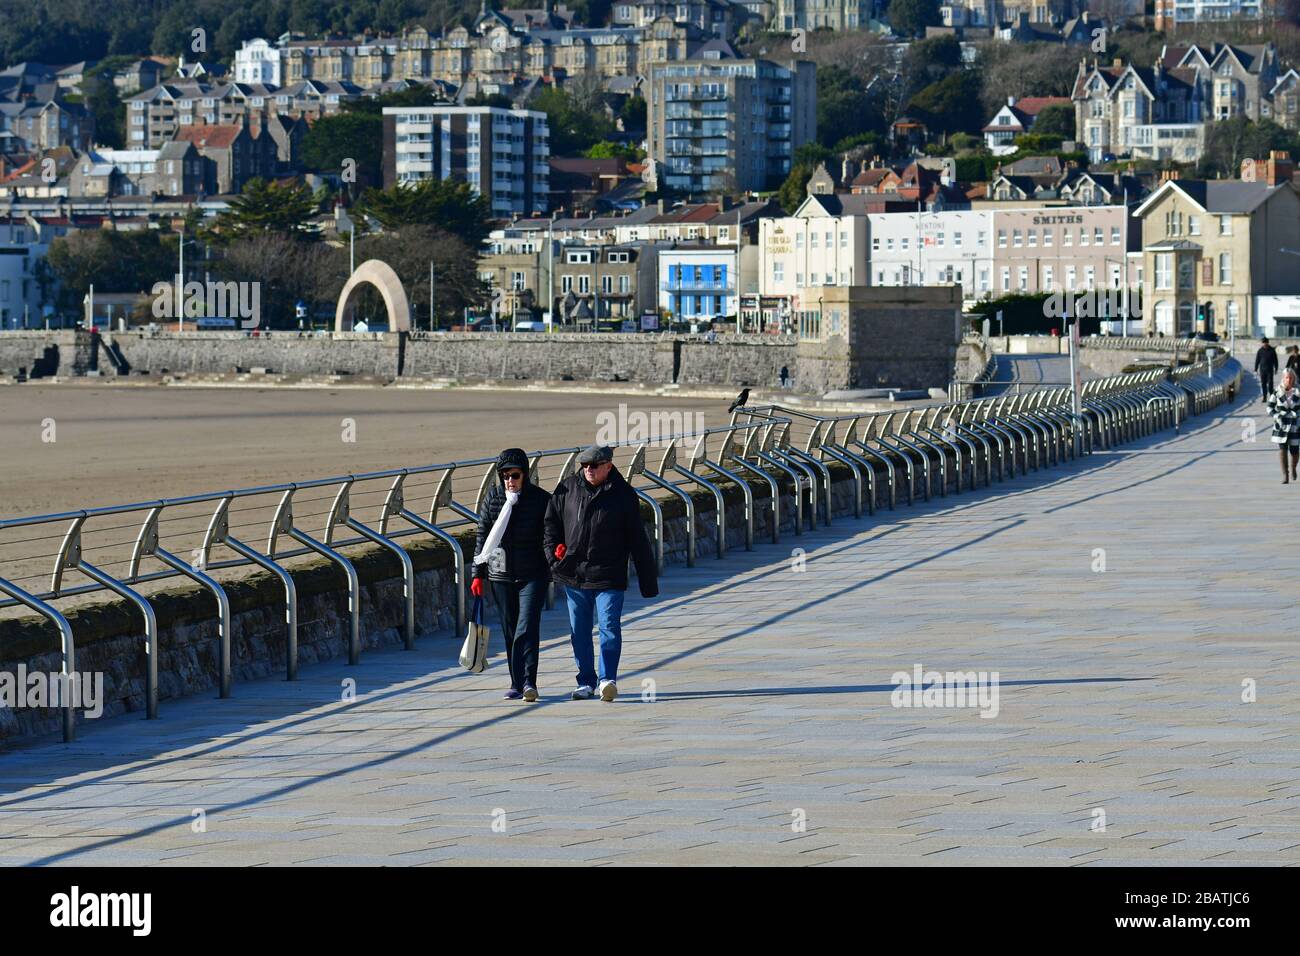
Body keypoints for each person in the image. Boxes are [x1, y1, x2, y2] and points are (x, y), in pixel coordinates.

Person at [544, 444, 658, 702]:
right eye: (584, 466)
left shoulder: (624, 495)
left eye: (594, 466)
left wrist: (648, 582)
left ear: (608, 465)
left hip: (610, 575)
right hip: (575, 574)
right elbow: (550, 523)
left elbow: (638, 540)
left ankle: (608, 679)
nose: (589, 470)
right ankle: (586, 681)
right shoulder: (567, 488)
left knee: (609, 627)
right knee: (579, 631)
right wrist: (553, 556)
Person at [471, 448, 551, 701]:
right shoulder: (493, 498)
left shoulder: (540, 499)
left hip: (532, 574)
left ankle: (530, 682)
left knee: (526, 628)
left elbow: (550, 536)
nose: (510, 481)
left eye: (515, 475)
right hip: (500, 575)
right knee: (509, 629)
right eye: (505, 475)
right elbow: (483, 537)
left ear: (525, 475)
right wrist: (477, 574)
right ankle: (517, 682)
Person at [1267, 369, 1300, 484]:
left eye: (1291, 377)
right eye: (1287, 377)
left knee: (1295, 452)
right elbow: (1269, 407)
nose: (1289, 380)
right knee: (1282, 449)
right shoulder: (1277, 391)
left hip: (1295, 425)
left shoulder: (1298, 391)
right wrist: (1276, 416)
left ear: (1294, 379)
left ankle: (1293, 468)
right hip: (1281, 425)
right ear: (1283, 378)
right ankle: (1285, 475)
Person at [1255, 336, 1278, 400]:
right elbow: (1257, 360)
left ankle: (1271, 396)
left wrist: (1276, 368)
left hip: (1270, 370)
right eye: (1263, 343)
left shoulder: (1272, 350)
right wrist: (1255, 369)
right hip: (1262, 370)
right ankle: (1264, 396)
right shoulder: (1260, 351)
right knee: (1263, 384)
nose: (1264, 344)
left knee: (1270, 384)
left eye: (1265, 343)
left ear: (1268, 343)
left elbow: (1275, 360)